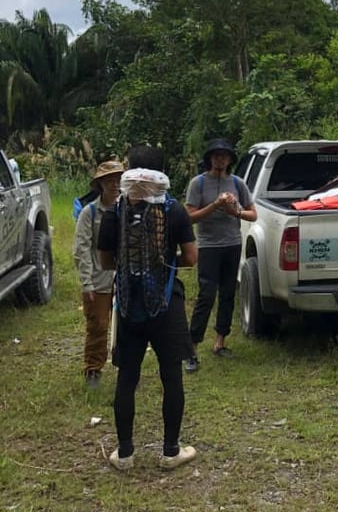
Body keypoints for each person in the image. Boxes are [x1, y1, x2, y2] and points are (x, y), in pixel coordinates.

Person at [98, 145, 198, 471]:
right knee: (171, 376)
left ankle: (124, 453)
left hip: (128, 304)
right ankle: (171, 451)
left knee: (127, 378)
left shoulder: (114, 212)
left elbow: (105, 260)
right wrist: (165, 262)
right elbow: (191, 258)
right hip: (167, 305)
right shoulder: (175, 210)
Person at [184, 138, 256, 370]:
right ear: (209, 159)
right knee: (206, 295)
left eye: (224, 155)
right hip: (208, 246)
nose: (220, 159)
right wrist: (215, 206)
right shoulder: (198, 183)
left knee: (227, 294)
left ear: (230, 160)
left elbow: (252, 215)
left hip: (232, 244)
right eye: (216, 155)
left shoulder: (237, 183)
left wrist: (234, 211)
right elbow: (190, 216)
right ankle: (192, 349)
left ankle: (220, 342)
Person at [73, 160, 124, 389]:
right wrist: (87, 283)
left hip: (125, 276)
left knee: (127, 324)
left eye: (118, 179)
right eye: (110, 180)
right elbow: (81, 249)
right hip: (99, 277)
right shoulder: (90, 212)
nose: (115, 184)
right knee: (98, 325)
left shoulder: (129, 208)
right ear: (101, 184)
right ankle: (93, 368)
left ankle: (126, 367)